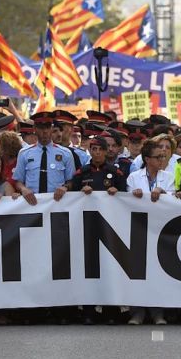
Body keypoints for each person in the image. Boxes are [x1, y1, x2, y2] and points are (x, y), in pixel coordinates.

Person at [67, 135, 125, 325]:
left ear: (106, 151)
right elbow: (70, 198)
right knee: (88, 268)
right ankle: (89, 310)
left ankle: (110, 310)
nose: (97, 152)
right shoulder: (81, 173)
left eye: (100, 149)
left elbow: (127, 198)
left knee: (110, 267)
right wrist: (79, 193)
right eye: (94, 149)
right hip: (87, 228)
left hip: (111, 229)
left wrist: (118, 193)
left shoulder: (115, 173)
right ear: (90, 151)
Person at [126, 140, 174, 326]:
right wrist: (135, 194)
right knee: (137, 273)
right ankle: (137, 312)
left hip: (161, 229)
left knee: (157, 273)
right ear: (147, 159)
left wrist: (162, 191)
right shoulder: (133, 178)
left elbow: (177, 197)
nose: (162, 159)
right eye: (158, 157)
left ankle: (157, 313)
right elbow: (125, 202)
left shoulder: (168, 177)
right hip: (138, 229)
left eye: (163, 156)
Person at [12, 112, 75, 206]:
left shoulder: (65, 153)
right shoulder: (24, 153)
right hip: (32, 203)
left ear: (52, 128)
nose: (45, 131)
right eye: (41, 127)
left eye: (48, 127)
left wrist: (65, 187)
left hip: (56, 203)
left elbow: (71, 181)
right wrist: (23, 189)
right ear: (35, 129)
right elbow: (18, 181)